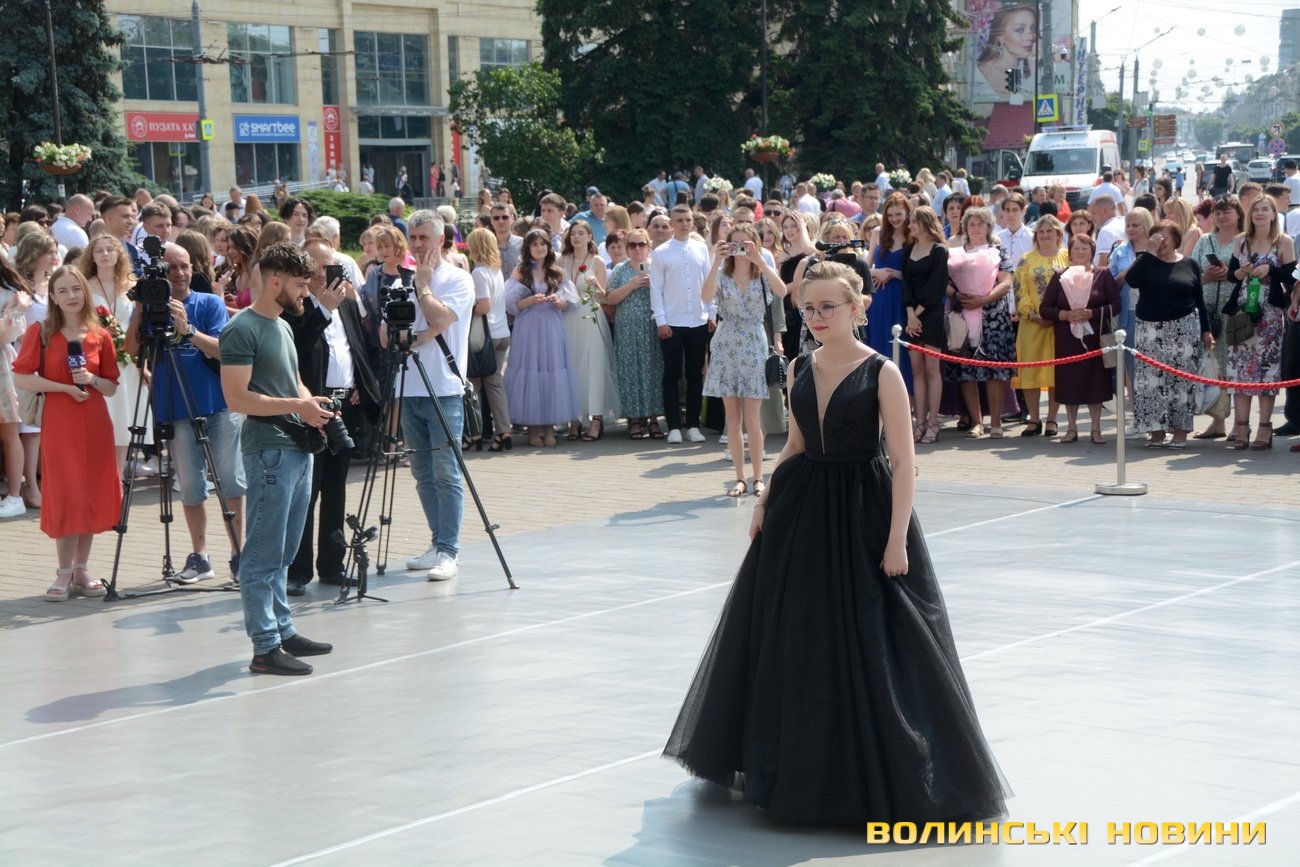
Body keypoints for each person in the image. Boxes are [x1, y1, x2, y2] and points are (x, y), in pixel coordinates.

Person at [664, 259, 1009, 824]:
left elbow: (904, 463)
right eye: (809, 308)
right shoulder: (799, 365)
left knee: (871, 638)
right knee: (799, 638)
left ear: (856, 308)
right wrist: (764, 499)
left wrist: (896, 540)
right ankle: (798, 762)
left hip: (865, 512)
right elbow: (796, 444)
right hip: (802, 511)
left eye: (828, 306)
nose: (817, 317)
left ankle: (867, 771)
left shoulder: (883, 372)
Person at [219, 244, 335, 675]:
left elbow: (294, 381)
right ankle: (265, 647)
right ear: (275, 281)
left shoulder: (282, 326)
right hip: (268, 449)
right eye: (301, 285)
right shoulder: (241, 329)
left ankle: (282, 630)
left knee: (284, 551)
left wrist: (311, 405)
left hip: (296, 446)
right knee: (263, 554)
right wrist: (298, 406)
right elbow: (237, 398)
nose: (306, 293)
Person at [11, 266, 120, 599]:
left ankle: (81, 570)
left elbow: (111, 386)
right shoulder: (42, 332)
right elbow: (21, 377)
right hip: (60, 421)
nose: (71, 296)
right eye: (63, 290)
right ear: (53, 297)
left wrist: (92, 380)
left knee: (90, 493)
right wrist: (64, 388)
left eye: (76, 289)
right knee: (67, 492)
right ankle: (62, 572)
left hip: (95, 420)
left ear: (84, 292)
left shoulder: (100, 335)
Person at [282, 238, 380, 595]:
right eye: (317, 266)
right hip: (311, 409)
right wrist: (322, 309)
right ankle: (298, 570)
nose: (324, 273)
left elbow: (359, 350)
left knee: (336, 489)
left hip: (344, 407)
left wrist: (359, 386)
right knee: (306, 493)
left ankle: (333, 564)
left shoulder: (349, 305)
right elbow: (294, 349)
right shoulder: (295, 307)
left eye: (329, 265)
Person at [388, 211, 476, 581]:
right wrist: (407, 332)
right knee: (423, 472)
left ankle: (449, 551)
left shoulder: (458, 279)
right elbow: (388, 334)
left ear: (440, 239)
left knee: (447, 471)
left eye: (424, 237)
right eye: (413, 237)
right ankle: (437, 542)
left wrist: (423, 287)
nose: (417, 244)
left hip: (443, 388)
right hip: (409, 387)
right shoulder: (400, 282)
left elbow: (440, 319)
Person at [701, 224, 787, 497]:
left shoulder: (762, 273)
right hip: (726, 345)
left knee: (753, 418)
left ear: (755, 244)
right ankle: (739, 478)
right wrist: (716, 261)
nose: (739, 248)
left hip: (753, 344)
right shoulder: (722, 274)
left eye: (745, 243)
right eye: (734, 243)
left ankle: (758, 477)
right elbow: (705, 296)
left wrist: (759, 259)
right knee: (733, 418)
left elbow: (782, 291)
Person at [1127, 221, 1213, 449]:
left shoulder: (1190, 264)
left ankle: (1180, 432)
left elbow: (1200, 300)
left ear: (1176, 239)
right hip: (1149, 329)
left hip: (1184, 328)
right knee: (1151, 381)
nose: (1160, 242)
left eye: (1164, 237)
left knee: (1181, 381)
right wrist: (1149, 252)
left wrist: (1206, 331)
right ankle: (1156, 432)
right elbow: (1132, 280)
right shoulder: (1146, 261)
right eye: (1155, 237)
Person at [1224, 195, 1296, 451]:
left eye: (1265, 209)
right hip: (1243, 312)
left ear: (1274, 214)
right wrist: (1242, 271)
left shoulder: (1283, 241)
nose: (1260, 213)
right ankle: (1241, 426)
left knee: (1267, 371)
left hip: (1270, 314)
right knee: (1240, 370)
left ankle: (1265, 427)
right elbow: (1232, 276)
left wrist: (1271, 270)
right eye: (1256, 209)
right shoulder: (1241, 241)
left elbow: (1292, 276)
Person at [1039, 234, 1121, 444]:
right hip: (1067, 339)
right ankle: (1071, 428)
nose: (1081, 252)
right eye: (1076, 248)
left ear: (1092, 251)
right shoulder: (1060, 275)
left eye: (1085, 248)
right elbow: (1045, 308)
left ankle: (1096, 429)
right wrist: (1065, 315)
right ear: (1070, 252)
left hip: (1095, 338)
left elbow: (1115, 305)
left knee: (1096, 383)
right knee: (1069, 383)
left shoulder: (1102, 274)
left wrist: (1092, 313)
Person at [944, 207, 1015, 438]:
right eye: (971, 224)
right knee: (966, 371)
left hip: (993, 318)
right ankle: (977, 422)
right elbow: (944, 283)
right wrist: (957, 295)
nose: (975, 228)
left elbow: (1006, 282)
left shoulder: (998, 250)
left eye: (980, 224)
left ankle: (996, 423)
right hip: (964, 316)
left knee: (994, 372)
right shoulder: (957, 253)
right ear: (965, 227)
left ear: (988, 227)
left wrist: (983, 300)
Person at [504, 229, 579, 447]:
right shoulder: (520, 271)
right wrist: (530, 301)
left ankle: (549, 427)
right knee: (531, 370)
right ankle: (533, 428)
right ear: (528, 248)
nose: (539, 248)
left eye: (543, 244)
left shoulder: (557, 271)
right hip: (528, 326)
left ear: (549, 247)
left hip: (551, 325)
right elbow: (511, 305)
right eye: (535, 244)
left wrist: (557, 301)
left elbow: (568, 304)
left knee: (551, 369)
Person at [77, 234, 139, 478]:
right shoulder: (85, 286)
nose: (105, 254)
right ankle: (98, 472)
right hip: (98, 356)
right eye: (99, 250)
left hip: (127, 358)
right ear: (91, 256)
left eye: (109, 250)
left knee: (124, 415)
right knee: (104, 413)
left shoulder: (131, 285)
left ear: (118, 254)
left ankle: (118, 474)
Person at [651, 205, 713, 444]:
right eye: (680, 220)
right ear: (672, 224)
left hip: (698, 320)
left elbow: (708, 282)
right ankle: (674, 425)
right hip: (672, 322)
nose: (685, 224)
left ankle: (693, 425)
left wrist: (711, 313)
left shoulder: (700, 249)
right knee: (672, 374)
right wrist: (661, 320)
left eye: (688, 220)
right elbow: (656, 288)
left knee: (696, 374)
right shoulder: (661, 252)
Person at [1189, 196, 1244, 439]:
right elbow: (1190, 275)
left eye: (1226, 212)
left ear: (1238, 214)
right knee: (1214, 366)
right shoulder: (1204, 241)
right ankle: (1218, 421)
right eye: (1217, 213)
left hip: (1236, 310)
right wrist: (1208, 276)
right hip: (1208, 310)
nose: (1221, 217)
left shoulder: (1245, 240)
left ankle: (1240, 423)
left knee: (1236, 366)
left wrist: (1231, 274)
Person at [559, 221, 619, 440]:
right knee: (572, 366)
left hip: (590, 316)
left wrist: (595, 285)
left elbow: (604, 297)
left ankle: (596, 419)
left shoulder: (597, 261)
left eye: (581, 233)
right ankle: (574, 419)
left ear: (589, 236)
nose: (576, 237)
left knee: (593, 366)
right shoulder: (562, 260)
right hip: (568, 317)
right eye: (573, 233)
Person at [1013, 216, 1069, 437]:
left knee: (1057, 371)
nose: (1045, 235)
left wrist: (1059, 314)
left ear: (1058, 233)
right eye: (1041, 232)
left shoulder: (1068, 257)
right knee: (1031, 369)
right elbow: (1020, 290)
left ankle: (1052, 418)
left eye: (1049, 231)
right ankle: (1034, 419)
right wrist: (1033, 314)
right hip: (1032, 324)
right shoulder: (1026, 260)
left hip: (1060, 324)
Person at [607, 228, 664, 439]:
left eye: (642, 244)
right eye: (632, 245)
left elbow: (670, 294)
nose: (637, 249)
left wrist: (653, 285)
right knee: (630, 371)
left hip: (652, 328)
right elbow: (609, 298)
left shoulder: (658, 267)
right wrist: (632, 285)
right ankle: (634, 419)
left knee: (654, 370)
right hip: (627, 329)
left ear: (649, 246)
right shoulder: (620, 270)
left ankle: (654, 418)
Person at [902, 207, 950, 444]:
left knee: (932, 369)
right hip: (912, 316)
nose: (910, 225)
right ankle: (919, 422)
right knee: (916, 370)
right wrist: (910, 314)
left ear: (925, 223)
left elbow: (936, 287)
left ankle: (933, 423)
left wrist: (917, 314)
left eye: (914, 221)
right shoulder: (908, 250)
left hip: (931, 315)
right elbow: (906, 285)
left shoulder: (939, 250)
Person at [465, 228, 512, 451]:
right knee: (495, 384)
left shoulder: (479, 272)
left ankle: (475, 434)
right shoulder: (496, 271)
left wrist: (465, 308)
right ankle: (504, 431)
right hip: (501, 332)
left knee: (473, 383)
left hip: (484, 336)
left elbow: (483, 307)